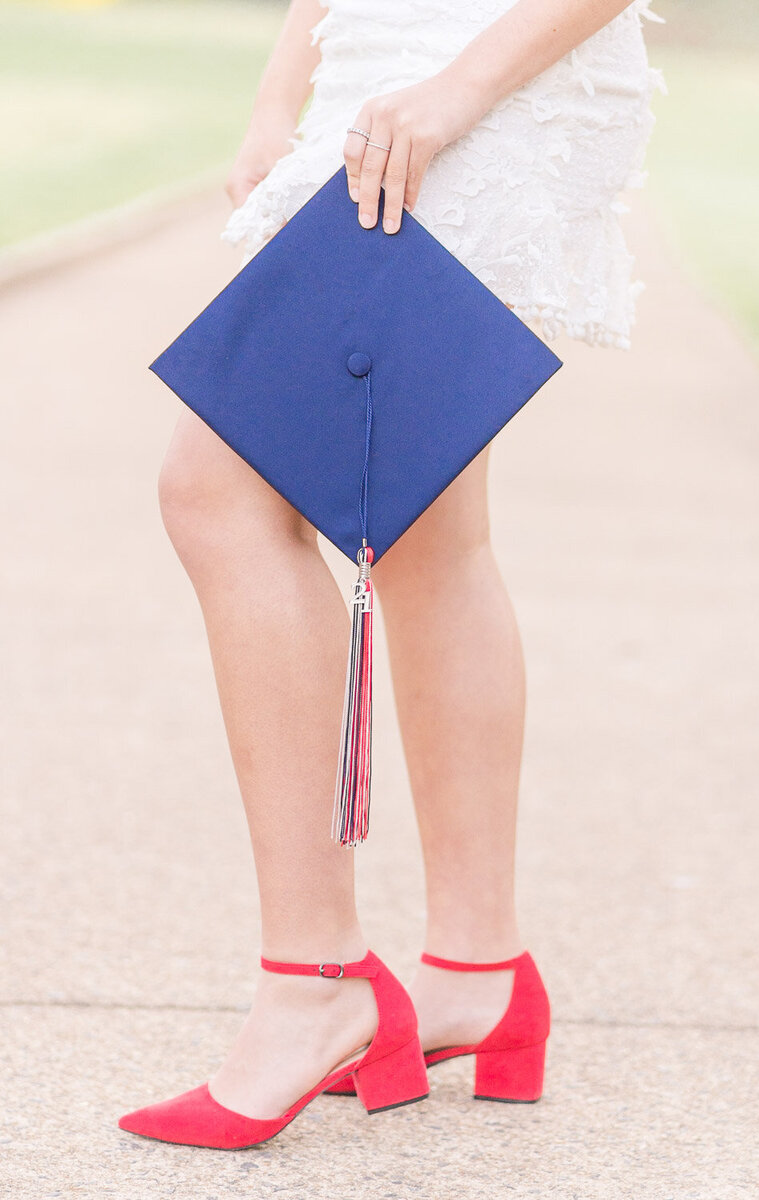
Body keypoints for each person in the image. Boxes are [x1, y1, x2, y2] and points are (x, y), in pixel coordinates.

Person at [118, 0, 664, 1147]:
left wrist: (465, 84)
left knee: (213, 489)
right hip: (371, 72)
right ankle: (479, 969)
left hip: (482, 71)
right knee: (419, 523)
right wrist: (280, 90)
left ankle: (316, 985)